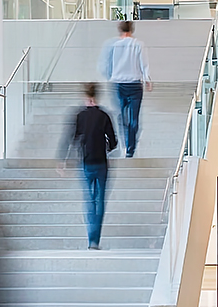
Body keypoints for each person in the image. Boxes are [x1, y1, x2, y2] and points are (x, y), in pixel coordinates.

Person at [59, 82, 117, 250]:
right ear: (97, 95)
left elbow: (70, 138)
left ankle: (91, 238)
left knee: (89, 201)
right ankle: (95, 240)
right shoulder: (104, 116)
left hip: (85, 162)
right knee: (100, 201)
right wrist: (106, 147)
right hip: (102, 163)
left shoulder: (80, 115)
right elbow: (113, 142)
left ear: (85, 96)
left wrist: (63, 159)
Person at [99, 20, 152, 158]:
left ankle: (124, 144)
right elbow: (144, 63)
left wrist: (110, 76)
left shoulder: (113, 45)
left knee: (122, 116)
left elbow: (106, 65)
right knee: (134, 118)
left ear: (120, 30)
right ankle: (130, 148)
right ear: (131, 30)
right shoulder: (138, 44)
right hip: (135, 84)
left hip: (118, 84)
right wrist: (147, 79)